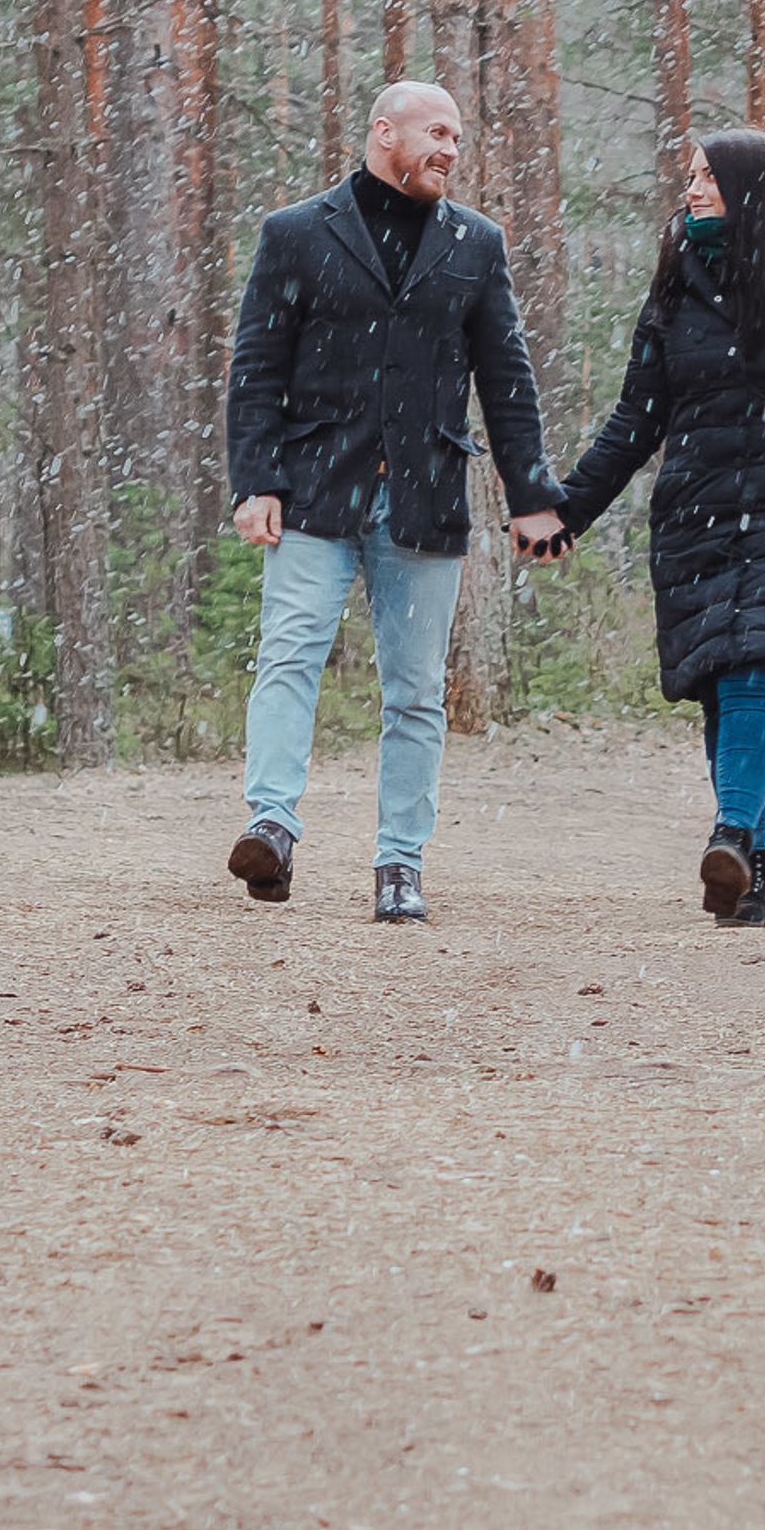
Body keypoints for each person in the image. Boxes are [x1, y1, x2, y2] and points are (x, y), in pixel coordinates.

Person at [224, 81, 570, 923]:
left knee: (415, 692)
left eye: (458, 136)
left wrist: (533, 496)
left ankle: (399, 866)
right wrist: (255, 480)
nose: (451, 150)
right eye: (437, 133)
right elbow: (257, 368)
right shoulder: (297, 234)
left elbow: (507, 380)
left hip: (424, 500)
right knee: (289, 657)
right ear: (385, 132)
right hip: (312, 492)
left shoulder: (476, 245)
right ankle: (270, 826)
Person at [556, 129, 765, 927]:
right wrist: (568, 511)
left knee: (755, 666)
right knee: (715, 679)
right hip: (694, 512)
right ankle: (753, 870)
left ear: (748, 185)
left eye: (705, 177)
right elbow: (635, 421)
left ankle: (731, 829)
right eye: (689, 176)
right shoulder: (675, 288)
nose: (691, 189)